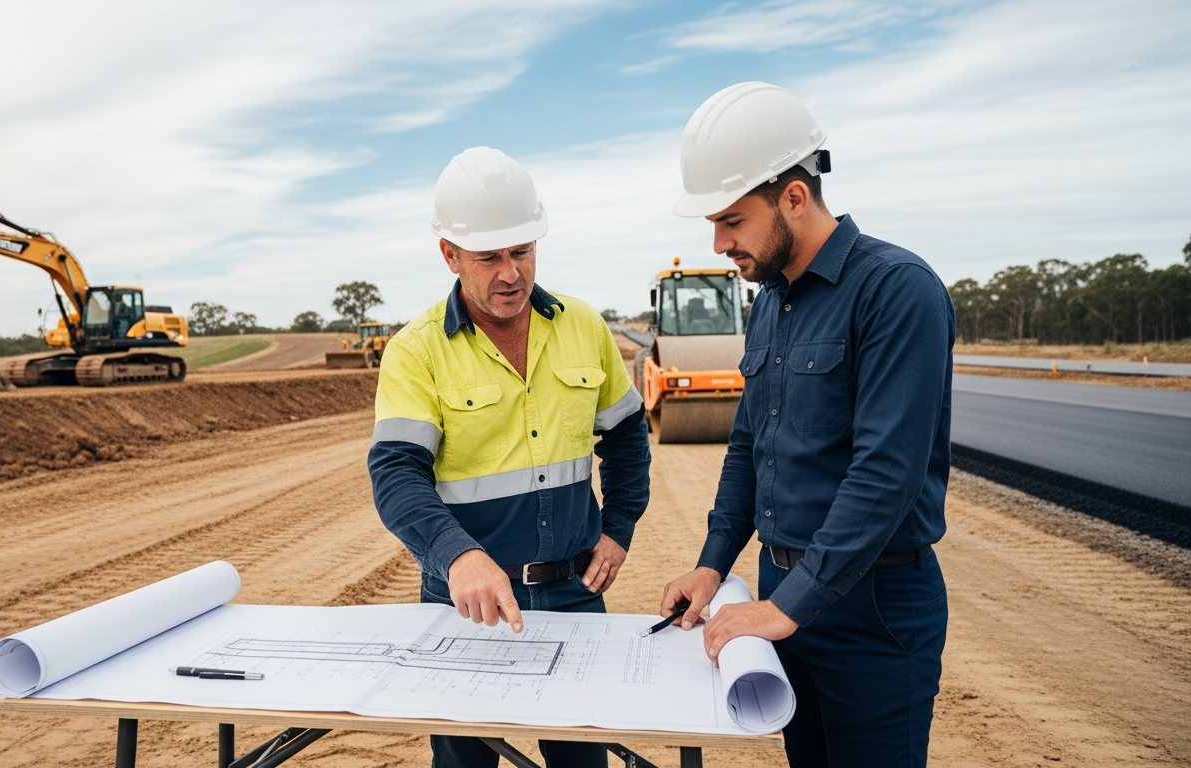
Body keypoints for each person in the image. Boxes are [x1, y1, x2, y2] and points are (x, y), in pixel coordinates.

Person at [658, 82, 954, 768]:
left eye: (732, 220)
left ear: (794, 195)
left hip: (870, 604)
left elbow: (886, 473)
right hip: (784, 592)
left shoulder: (896, 289)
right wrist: (713, 564)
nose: (719, 242)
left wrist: (789, 605)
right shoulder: (770, 303)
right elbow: (748, 446)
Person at [368, 146, 650, 768]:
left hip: (575, 595)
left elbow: (628, 436)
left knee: (583, 759)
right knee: (466, 761)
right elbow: (396, 475)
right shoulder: (416, 351)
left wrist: (620, 528)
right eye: (488, 257)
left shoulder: (584, 326)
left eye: (521, 251)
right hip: (467, 606)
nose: (510, 273)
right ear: (449, 254)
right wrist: (458, 556)